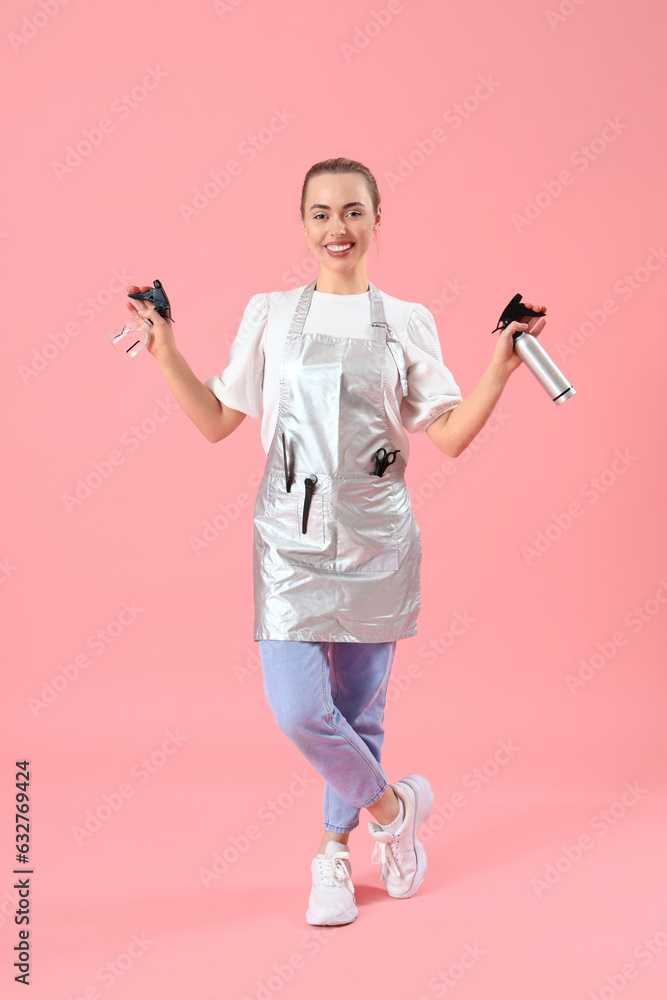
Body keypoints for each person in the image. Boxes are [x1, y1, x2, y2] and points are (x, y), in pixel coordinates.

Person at [126, 156, 547, 926]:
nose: (337, 228)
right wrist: (165, 351)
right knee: (298, 710)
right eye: (320, 213)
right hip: (287, 540)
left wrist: (499, 367)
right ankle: (393, 809)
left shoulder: (407, 321)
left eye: (352, 211)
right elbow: (221, 420)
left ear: (377, 220)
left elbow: (446, 434)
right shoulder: (271, 316)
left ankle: (332, 854)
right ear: (303, 224)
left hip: (375, 540)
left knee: (359, 711)